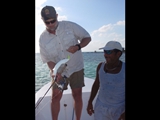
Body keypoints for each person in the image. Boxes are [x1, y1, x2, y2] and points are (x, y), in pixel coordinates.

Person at [39, 5, 91, 120]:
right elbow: (48, 59)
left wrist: (78, 46)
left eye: (53, 20)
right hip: (59, 71)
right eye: (47, 22)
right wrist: (55, 72)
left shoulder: (70, 26)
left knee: (77, 95)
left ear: (57, 16)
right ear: (42, 21)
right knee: (55, 98)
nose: (51, 24)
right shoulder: (42, 38)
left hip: (76, 67)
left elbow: (87, 37)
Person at [86, 41, 125, 120]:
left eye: (109, 52)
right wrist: (90, 102)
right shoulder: (100, 66)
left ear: (118, 54)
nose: (106, 55)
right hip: (100, 108)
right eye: (105, 51)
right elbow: (96, 84)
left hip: (119, 109)